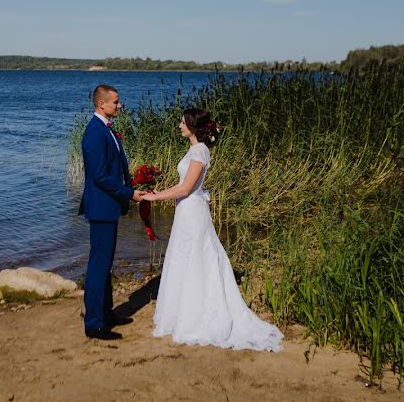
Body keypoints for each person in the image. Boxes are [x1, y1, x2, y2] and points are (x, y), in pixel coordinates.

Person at [141, 108, 283, 351]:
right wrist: (159, 191)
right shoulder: (194, 150)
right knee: (185, 258)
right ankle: (183, 310)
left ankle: (198, 315)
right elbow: (183, 185)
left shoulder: (200, 151)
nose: (179, 125)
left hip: (192, 211)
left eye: (182, 122)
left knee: (196, 257)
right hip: (185, 211)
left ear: (193, 126)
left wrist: (155, 198)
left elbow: (185, 189)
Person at [79, 84, 145, 340]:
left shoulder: (106, 130)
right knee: (98, 266)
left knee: (104, 265)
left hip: (108, 206)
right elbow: (101, 177)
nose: (120, 105)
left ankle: (105, 314)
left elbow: (113, 171)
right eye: (116, 102)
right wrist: (129, 194)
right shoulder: (94, 132)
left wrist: (130, 187)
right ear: (101, 104)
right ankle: (94, 324)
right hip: (101, 208)